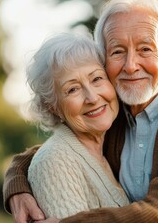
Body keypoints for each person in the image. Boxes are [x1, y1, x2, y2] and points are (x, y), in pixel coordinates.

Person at [3, 0, 158, 223]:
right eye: (117, 51)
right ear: (105, 58)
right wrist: (16, 183)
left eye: (145, 49)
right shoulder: (113, 113)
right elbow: (60, 152)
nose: (130, 66)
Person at [21, 32, 129, 220]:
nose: (92, 97)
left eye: (96, 79)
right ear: (53, 107)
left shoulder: (113, 144)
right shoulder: (55, 161)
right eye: (72, 89)